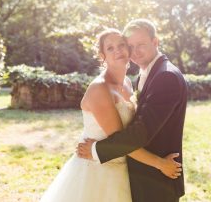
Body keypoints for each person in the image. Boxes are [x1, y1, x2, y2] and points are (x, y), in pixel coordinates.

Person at [40, 28, 181, 202]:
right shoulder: (99, 88)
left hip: (124, 169)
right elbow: (121, 139)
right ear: (102, 56)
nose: (118, 51)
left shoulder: (129, 83)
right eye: (110, 48)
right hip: (98, 170)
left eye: (122, 45)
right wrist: (160, 164)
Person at [78, 19, 188, 202]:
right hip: (131, 175)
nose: (134, 51)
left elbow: (140, 133)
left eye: (141, 45)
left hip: (157, 181)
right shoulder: (142, 76)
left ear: (155, 42)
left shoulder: (165, 76)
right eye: (130, 45)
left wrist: (97, 149)